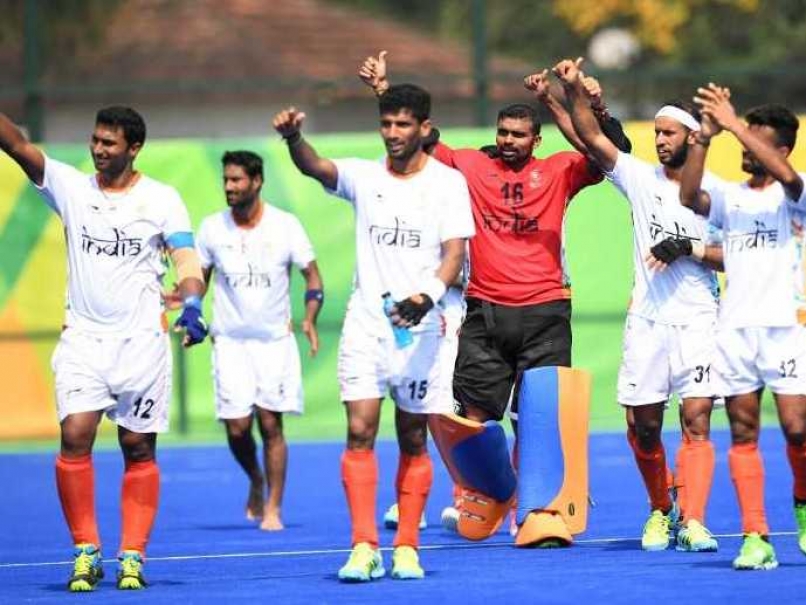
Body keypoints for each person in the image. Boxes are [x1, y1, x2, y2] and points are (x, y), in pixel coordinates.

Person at [359, 52, 631, 546]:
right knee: (474, 419)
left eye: (518, 134)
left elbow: (611, 148)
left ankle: (534, 511)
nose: (508, 141)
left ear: (536, 139)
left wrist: (576, 95)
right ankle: (485, 496)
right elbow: (416, 138)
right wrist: (384, 89)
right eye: (503, 132)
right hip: (484, 310)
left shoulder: (561, 170)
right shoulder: (469, 165)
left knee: (537, 415)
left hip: (546, 308)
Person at [0, 106, 208, 591]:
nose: (97, 149)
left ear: (133, 149)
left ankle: (132, 554)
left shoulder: (162, 198)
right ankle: (85, 550)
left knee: (138, 447)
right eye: (95, 140)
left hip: (141, 345)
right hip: (83, 341)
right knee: (75, 435)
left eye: (108, 143)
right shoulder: (71, 187)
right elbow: (16, 145)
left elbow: (185, 256)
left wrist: (193, 303)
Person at [272, 83, 474, 581]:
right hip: (367, 326)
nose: (392, 134)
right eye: (386, 124)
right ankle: (363, 545)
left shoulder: (447, 184)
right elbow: (315, 166)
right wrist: (295, 139)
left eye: (403, 125)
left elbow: (455, 255)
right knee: (359, 430)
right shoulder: (363, 176)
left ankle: (406, 546)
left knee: (412, 437)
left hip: (422, 329)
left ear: (424, 129)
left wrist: (425, 296)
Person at [555, 57, 725, 553]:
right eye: (657, 132)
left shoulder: (718, 196)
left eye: (670, 133)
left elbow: (733, 255)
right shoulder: (639, 177)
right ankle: (661, 509)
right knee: (644, 425)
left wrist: (691, 249)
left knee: (696, 419)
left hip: (698, 319)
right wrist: (571, 91)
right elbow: (591, 137)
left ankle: (693, 518)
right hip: (647, 321)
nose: (661, 140)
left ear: (693, 139)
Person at [679, 86, 806, 570]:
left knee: (797, 431)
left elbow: (789, 177)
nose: (745, 147)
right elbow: (690, 196)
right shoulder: (731, 196)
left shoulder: (795, 192)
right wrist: (705, 139)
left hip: (787, 328)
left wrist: (734, 124)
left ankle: (802, 501)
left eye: (757, 140)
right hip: (735, 331)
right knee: (743, 429)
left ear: (782, 148)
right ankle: (756, 536)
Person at [195, 150, 323, 531]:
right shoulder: (211, 229)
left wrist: (310, 319)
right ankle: (255, 477)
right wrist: (187, 308)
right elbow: (197, 281)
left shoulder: (286, 226)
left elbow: (313, 277)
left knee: (271, 424)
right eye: (226, 180)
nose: (229, 187)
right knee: (237, 428)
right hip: (230, 342)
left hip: (273, 343)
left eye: (236, 180)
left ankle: (273, 508)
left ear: (257, 181)